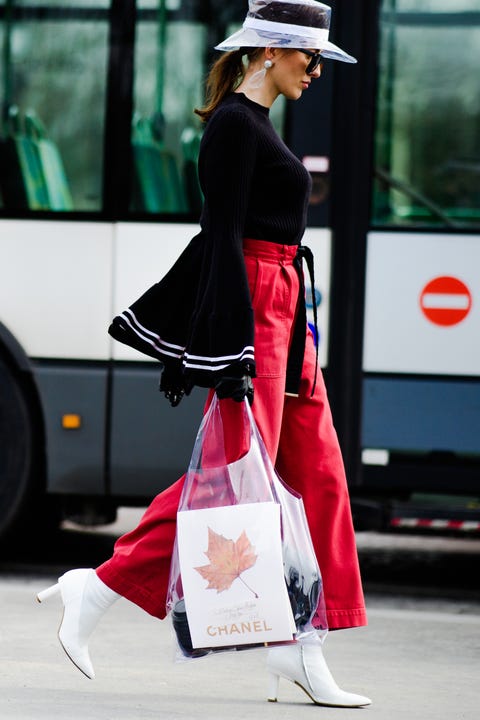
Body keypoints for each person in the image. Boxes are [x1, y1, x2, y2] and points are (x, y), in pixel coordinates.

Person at [37, 0, 371, 708]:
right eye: (309, 57)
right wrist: (232, 345)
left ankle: (303, 644)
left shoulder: (259, 125)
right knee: (227, 485)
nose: (317, 71)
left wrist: (291, 321)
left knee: (321, 479)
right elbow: (218, 238)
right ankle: (95, 589)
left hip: (287, 305)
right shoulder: (231, 127)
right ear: (270, 54)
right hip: (254, 306)